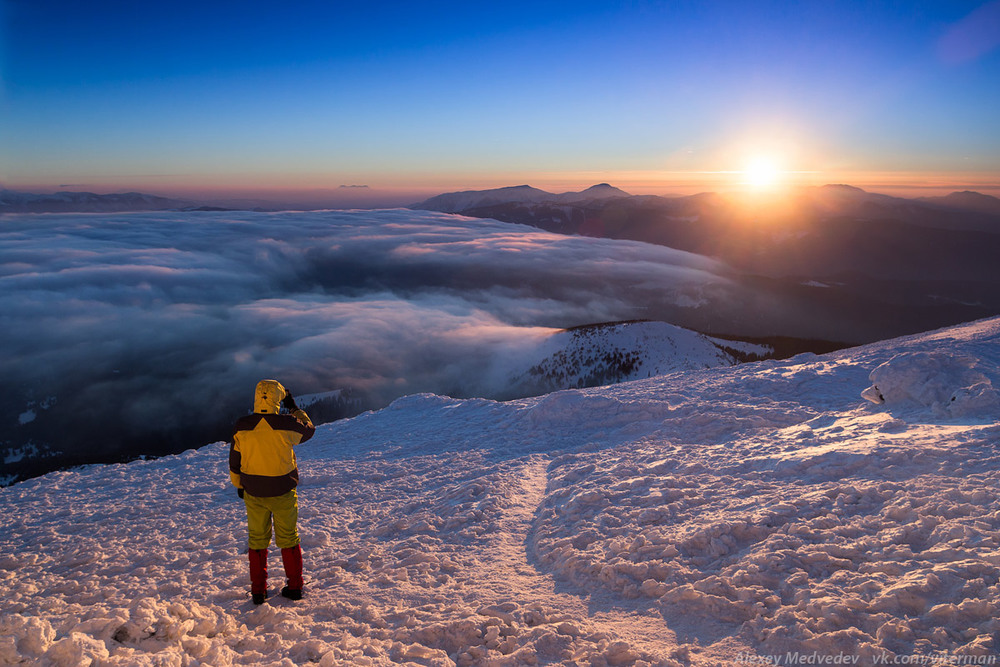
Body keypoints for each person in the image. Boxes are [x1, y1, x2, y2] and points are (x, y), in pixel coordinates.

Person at [229, 379, 315, 605]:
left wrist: (239, 484)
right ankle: (295, 587)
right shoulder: (287, 424)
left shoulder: (242, 425)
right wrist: (294, 407)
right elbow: (309, 430)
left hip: (253, 491)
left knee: (257, 539)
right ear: (278, 398)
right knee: (289, 537)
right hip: (283, 490)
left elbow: (235, 461)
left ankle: (258, 591)